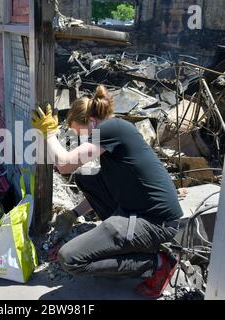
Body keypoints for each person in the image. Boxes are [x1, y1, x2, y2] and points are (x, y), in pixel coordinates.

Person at [31, 85, 184, 299]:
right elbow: (102, 190)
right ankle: (126, 243)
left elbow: (64, 165)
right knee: (86, 178)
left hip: (156, 222)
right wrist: (72, 214)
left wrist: (49, 133)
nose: (82, 140)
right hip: (137, 211)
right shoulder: (113, 142)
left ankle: (157, 263)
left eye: (80, 133)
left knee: (70, 259)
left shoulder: (112, 129)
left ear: (92, 122)